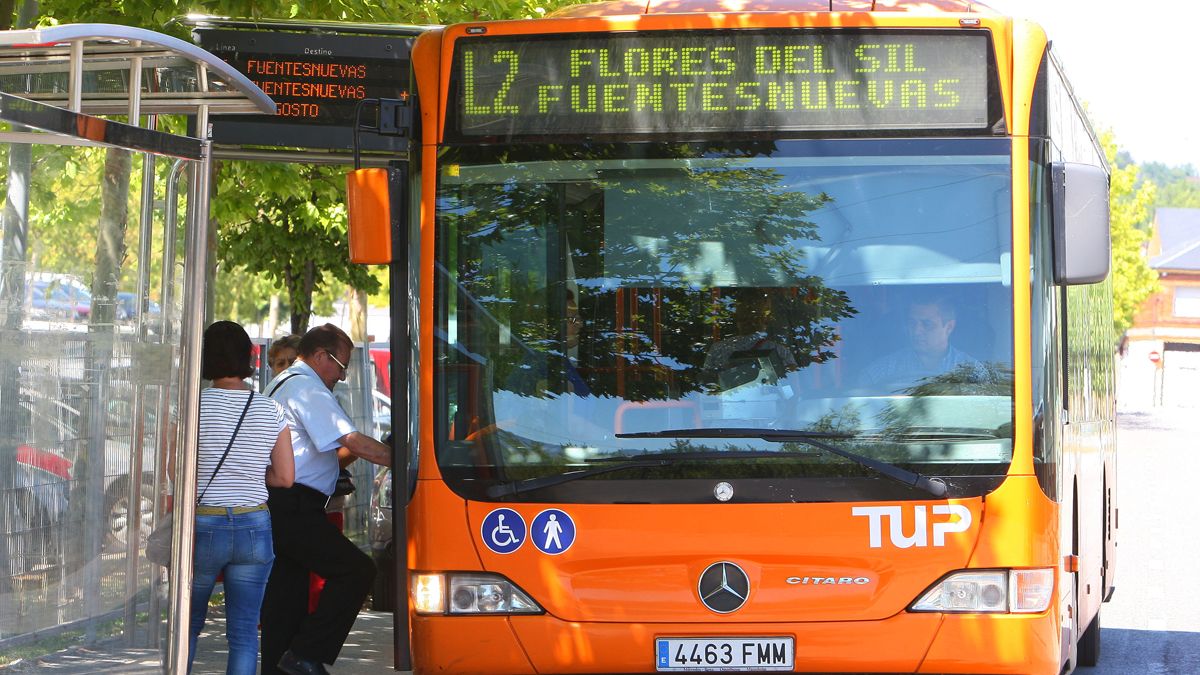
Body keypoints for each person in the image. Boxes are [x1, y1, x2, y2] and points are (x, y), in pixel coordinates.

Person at [261, 323, 392, 675]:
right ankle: (305, 652)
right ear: (320, 356)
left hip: (283, 503)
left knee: (285, 600)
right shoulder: (306, 387)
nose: (343, 376)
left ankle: (280, 664)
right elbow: (352, 440)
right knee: (357, 570)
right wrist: (404, 459)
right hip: (293, 505)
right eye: (341, 365)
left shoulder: (282, 382)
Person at [190, 321, 295, 675]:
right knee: (245, 632)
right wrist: (249, 474)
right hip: (253, 524)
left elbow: (174, 469)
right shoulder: (270, 410)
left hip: (203, 523)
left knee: (187, 626)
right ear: (247, 358)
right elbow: (285, 476)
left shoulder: (191, 405)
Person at [861, 296, 983, 388]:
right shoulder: (881, 372)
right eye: (912, 323)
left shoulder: (974, 372)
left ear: (949, 327)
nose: (916, 331)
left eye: (927, 324)